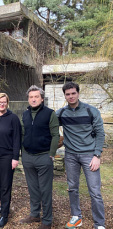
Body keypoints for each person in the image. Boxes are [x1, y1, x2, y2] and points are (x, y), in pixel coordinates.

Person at [56, 82, 105, 229]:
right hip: (70, 155)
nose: (71, 96)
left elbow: (100, 134)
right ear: (64, 95)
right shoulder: (62, 113)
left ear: (78, 93)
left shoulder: (91, 111)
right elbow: (48, 123)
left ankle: (99, 223)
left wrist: (97, 155)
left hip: (89, 155)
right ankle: (76, 216)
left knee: (95, 191)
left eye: (73, 93)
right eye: (68, 94)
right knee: (72, 188)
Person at [19, 85, 60, 229]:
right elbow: (23, 134)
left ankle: (47, 220)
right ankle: (35, 214)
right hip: (28, 157)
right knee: (33, 188)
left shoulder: (50, 113)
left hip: (44, 157)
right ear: (28, 99)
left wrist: (51, 154)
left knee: (45, 190)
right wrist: (23, 153)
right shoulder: (25, 114)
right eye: (31, 97)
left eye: (36, 96)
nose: (33, 99)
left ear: (42, 98)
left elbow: (56, 135)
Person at [0, 93, 21, 229]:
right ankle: (2, 206)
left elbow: (17, 139)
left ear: (7, 103)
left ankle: (4, 215)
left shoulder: (13, 118)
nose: (2, 104)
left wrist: (15, 158)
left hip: (7, 156)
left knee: (6, 185)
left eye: (4, 102)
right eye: (0, 102)